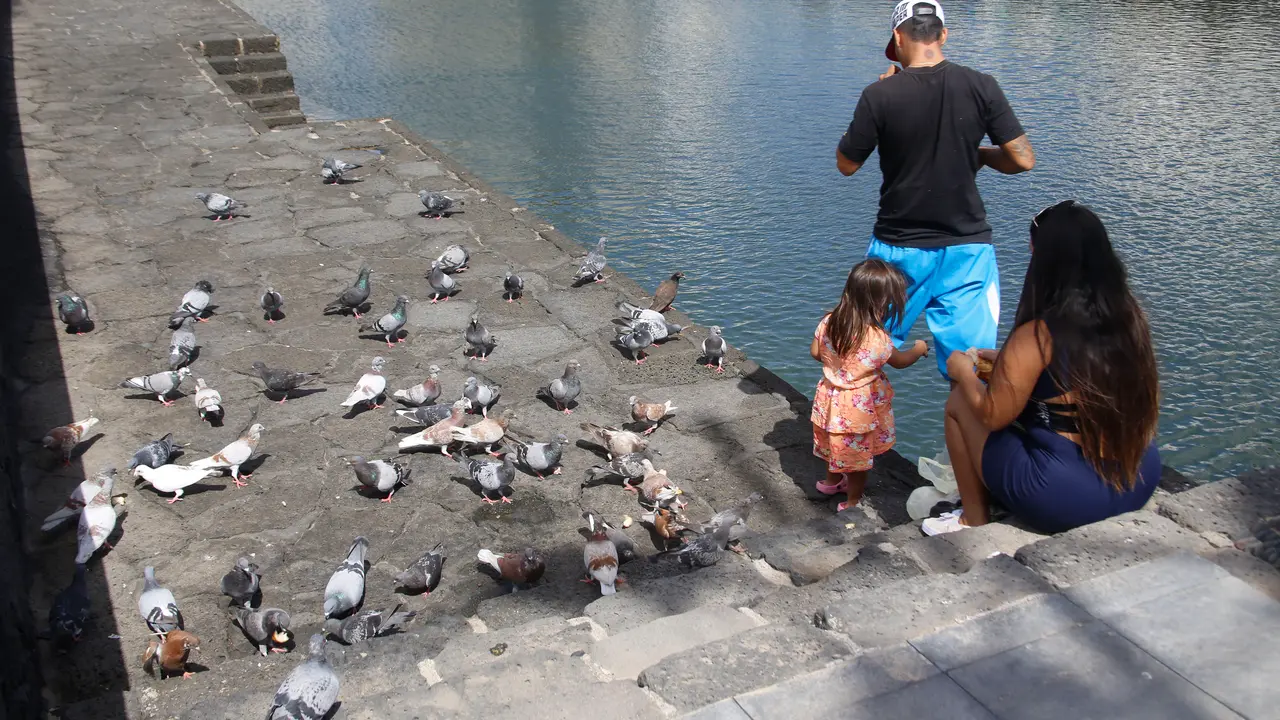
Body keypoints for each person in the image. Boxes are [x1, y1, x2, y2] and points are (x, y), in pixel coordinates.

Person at [921, 201, 1162, 535]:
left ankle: (972, 519)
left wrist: (963, 371)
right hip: (1138, 478)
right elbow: (1070, 377)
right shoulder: (1129, 318)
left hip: (1067, 496)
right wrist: (1006, 360)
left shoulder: (1038, 334)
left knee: (961, 403)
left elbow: (993, 415)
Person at [836, 0, 1035, 379]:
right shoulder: (981, 85)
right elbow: (1022, 159)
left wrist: (876, 107)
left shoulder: (880, 94)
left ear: (898, 37)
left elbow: (846, 165)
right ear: (943, 34)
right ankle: (974, 436)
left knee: (861, 356)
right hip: (968, 251)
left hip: (898, 250)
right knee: (974, 369)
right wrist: (979, 154)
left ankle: (849, 433)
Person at [811, 259, 930, 512]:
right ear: (880, 302)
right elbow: (899, 362)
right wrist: (919, 349)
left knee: (834, 443)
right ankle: (852, 501)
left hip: (830, 397)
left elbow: (815, 352)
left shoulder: (829, 322)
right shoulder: (878, 338)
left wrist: (837, 362)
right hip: (858, 408)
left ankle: (830, 483)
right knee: (857, 457)